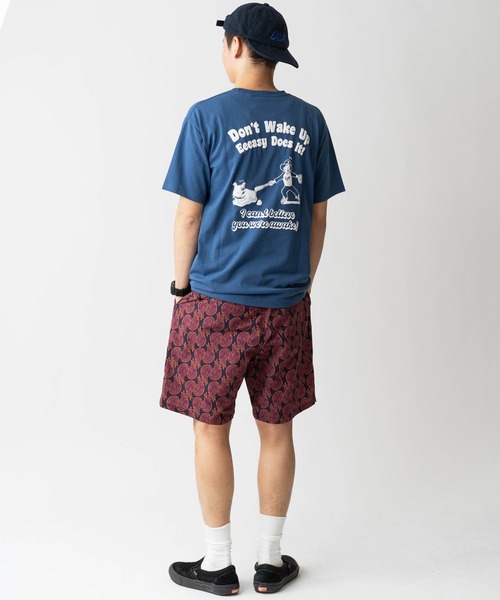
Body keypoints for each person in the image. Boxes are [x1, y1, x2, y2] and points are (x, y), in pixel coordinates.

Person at [159, 2, 345, 595]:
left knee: (209, 429)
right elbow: (318, 217)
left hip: (214, 301)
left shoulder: (206, 116)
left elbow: (188, 215)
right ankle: (270, 561)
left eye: (225, 42)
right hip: (285, 304)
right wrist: (301, 283)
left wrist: (181, 287)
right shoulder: (310, 120)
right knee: (277, 429)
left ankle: (218, 564)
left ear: (237, 45)